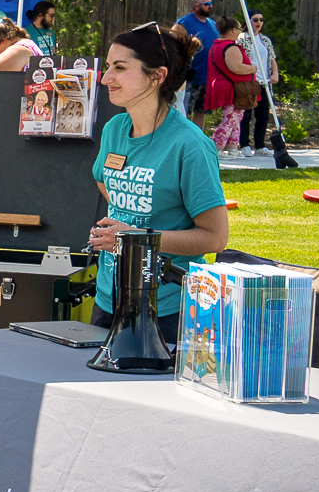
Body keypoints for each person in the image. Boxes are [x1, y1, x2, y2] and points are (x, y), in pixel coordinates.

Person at [88, 23, 230, 333]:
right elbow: (104, 179)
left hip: (166, 308)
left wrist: (134, 238)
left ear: (157, 75)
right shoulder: (114, 129)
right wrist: (132, 213)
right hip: (108, 300)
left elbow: (216, 237)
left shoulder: (190, 146)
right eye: (108, 66)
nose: (106, 77)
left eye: (120, 68)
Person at [204, 17, 258, 160]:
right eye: (239, 29)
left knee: (236, 117)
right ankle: (216, 147)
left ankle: (233, 148)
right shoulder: (230, 47)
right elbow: (235, 67)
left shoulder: (217, 45)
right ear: (233, 30)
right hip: (231, 88)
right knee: (230, 118)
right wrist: (253, 68)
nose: (240, 31)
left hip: (228, 87)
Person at [238, 10, 279, 157]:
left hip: (264, 83)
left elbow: (272, 58)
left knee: (262, 114)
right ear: (248, 21)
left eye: (261, 20)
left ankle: (260, 145)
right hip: (249, 82)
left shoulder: (265, 40)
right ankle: (244, 144)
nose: (259, 23)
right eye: (255, 20)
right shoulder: (242, 38)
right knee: (246, 114)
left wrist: (275, 74)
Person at [172, 0, 219, 118]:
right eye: (207, 4)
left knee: (201, 113)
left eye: (211, 3)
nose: (211, 6)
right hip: (191, 76)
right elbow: (173, 47)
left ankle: (199, 136)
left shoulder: (212, 23)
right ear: (196, 7)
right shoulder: (183, 24)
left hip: (207, 76)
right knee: (185, 112)